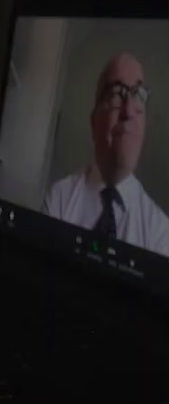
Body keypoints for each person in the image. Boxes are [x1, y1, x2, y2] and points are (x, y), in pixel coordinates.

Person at [43, 51, 168, 256]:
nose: (127, 111)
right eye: (116, 94)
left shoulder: (161, 234)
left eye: (138, 96)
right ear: (94, 122)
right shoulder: (59, 200)